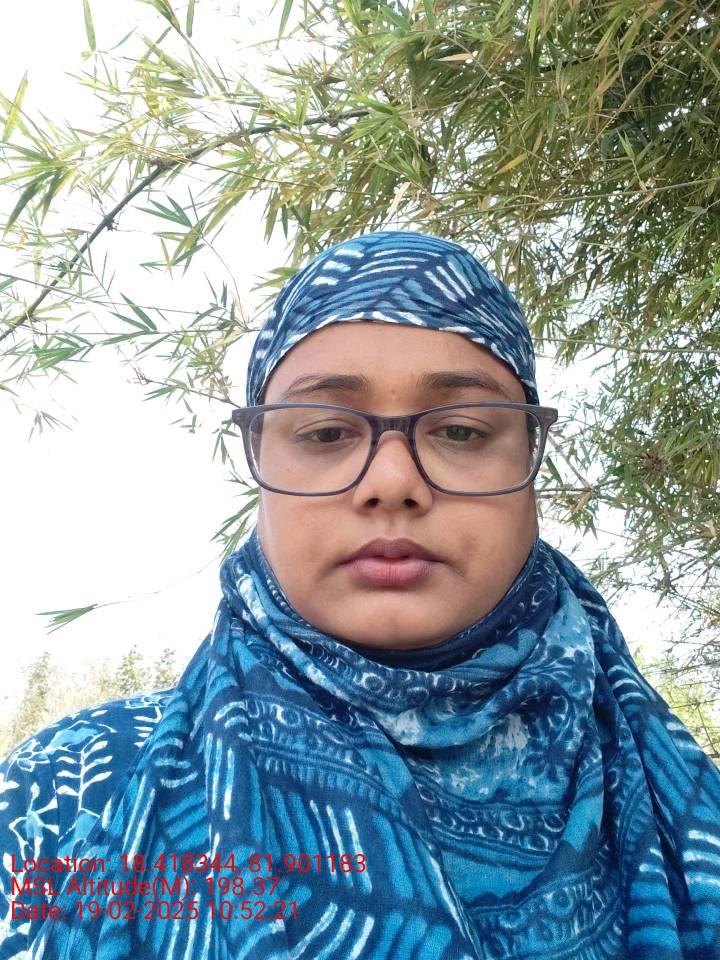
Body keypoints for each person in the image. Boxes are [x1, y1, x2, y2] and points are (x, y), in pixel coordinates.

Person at [1, 229, 719, 960]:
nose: (392, 482)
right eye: (324, 433)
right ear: (257, 462)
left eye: (463, 430)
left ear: (530, 461)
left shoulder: (672, 797)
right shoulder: (63, 795)